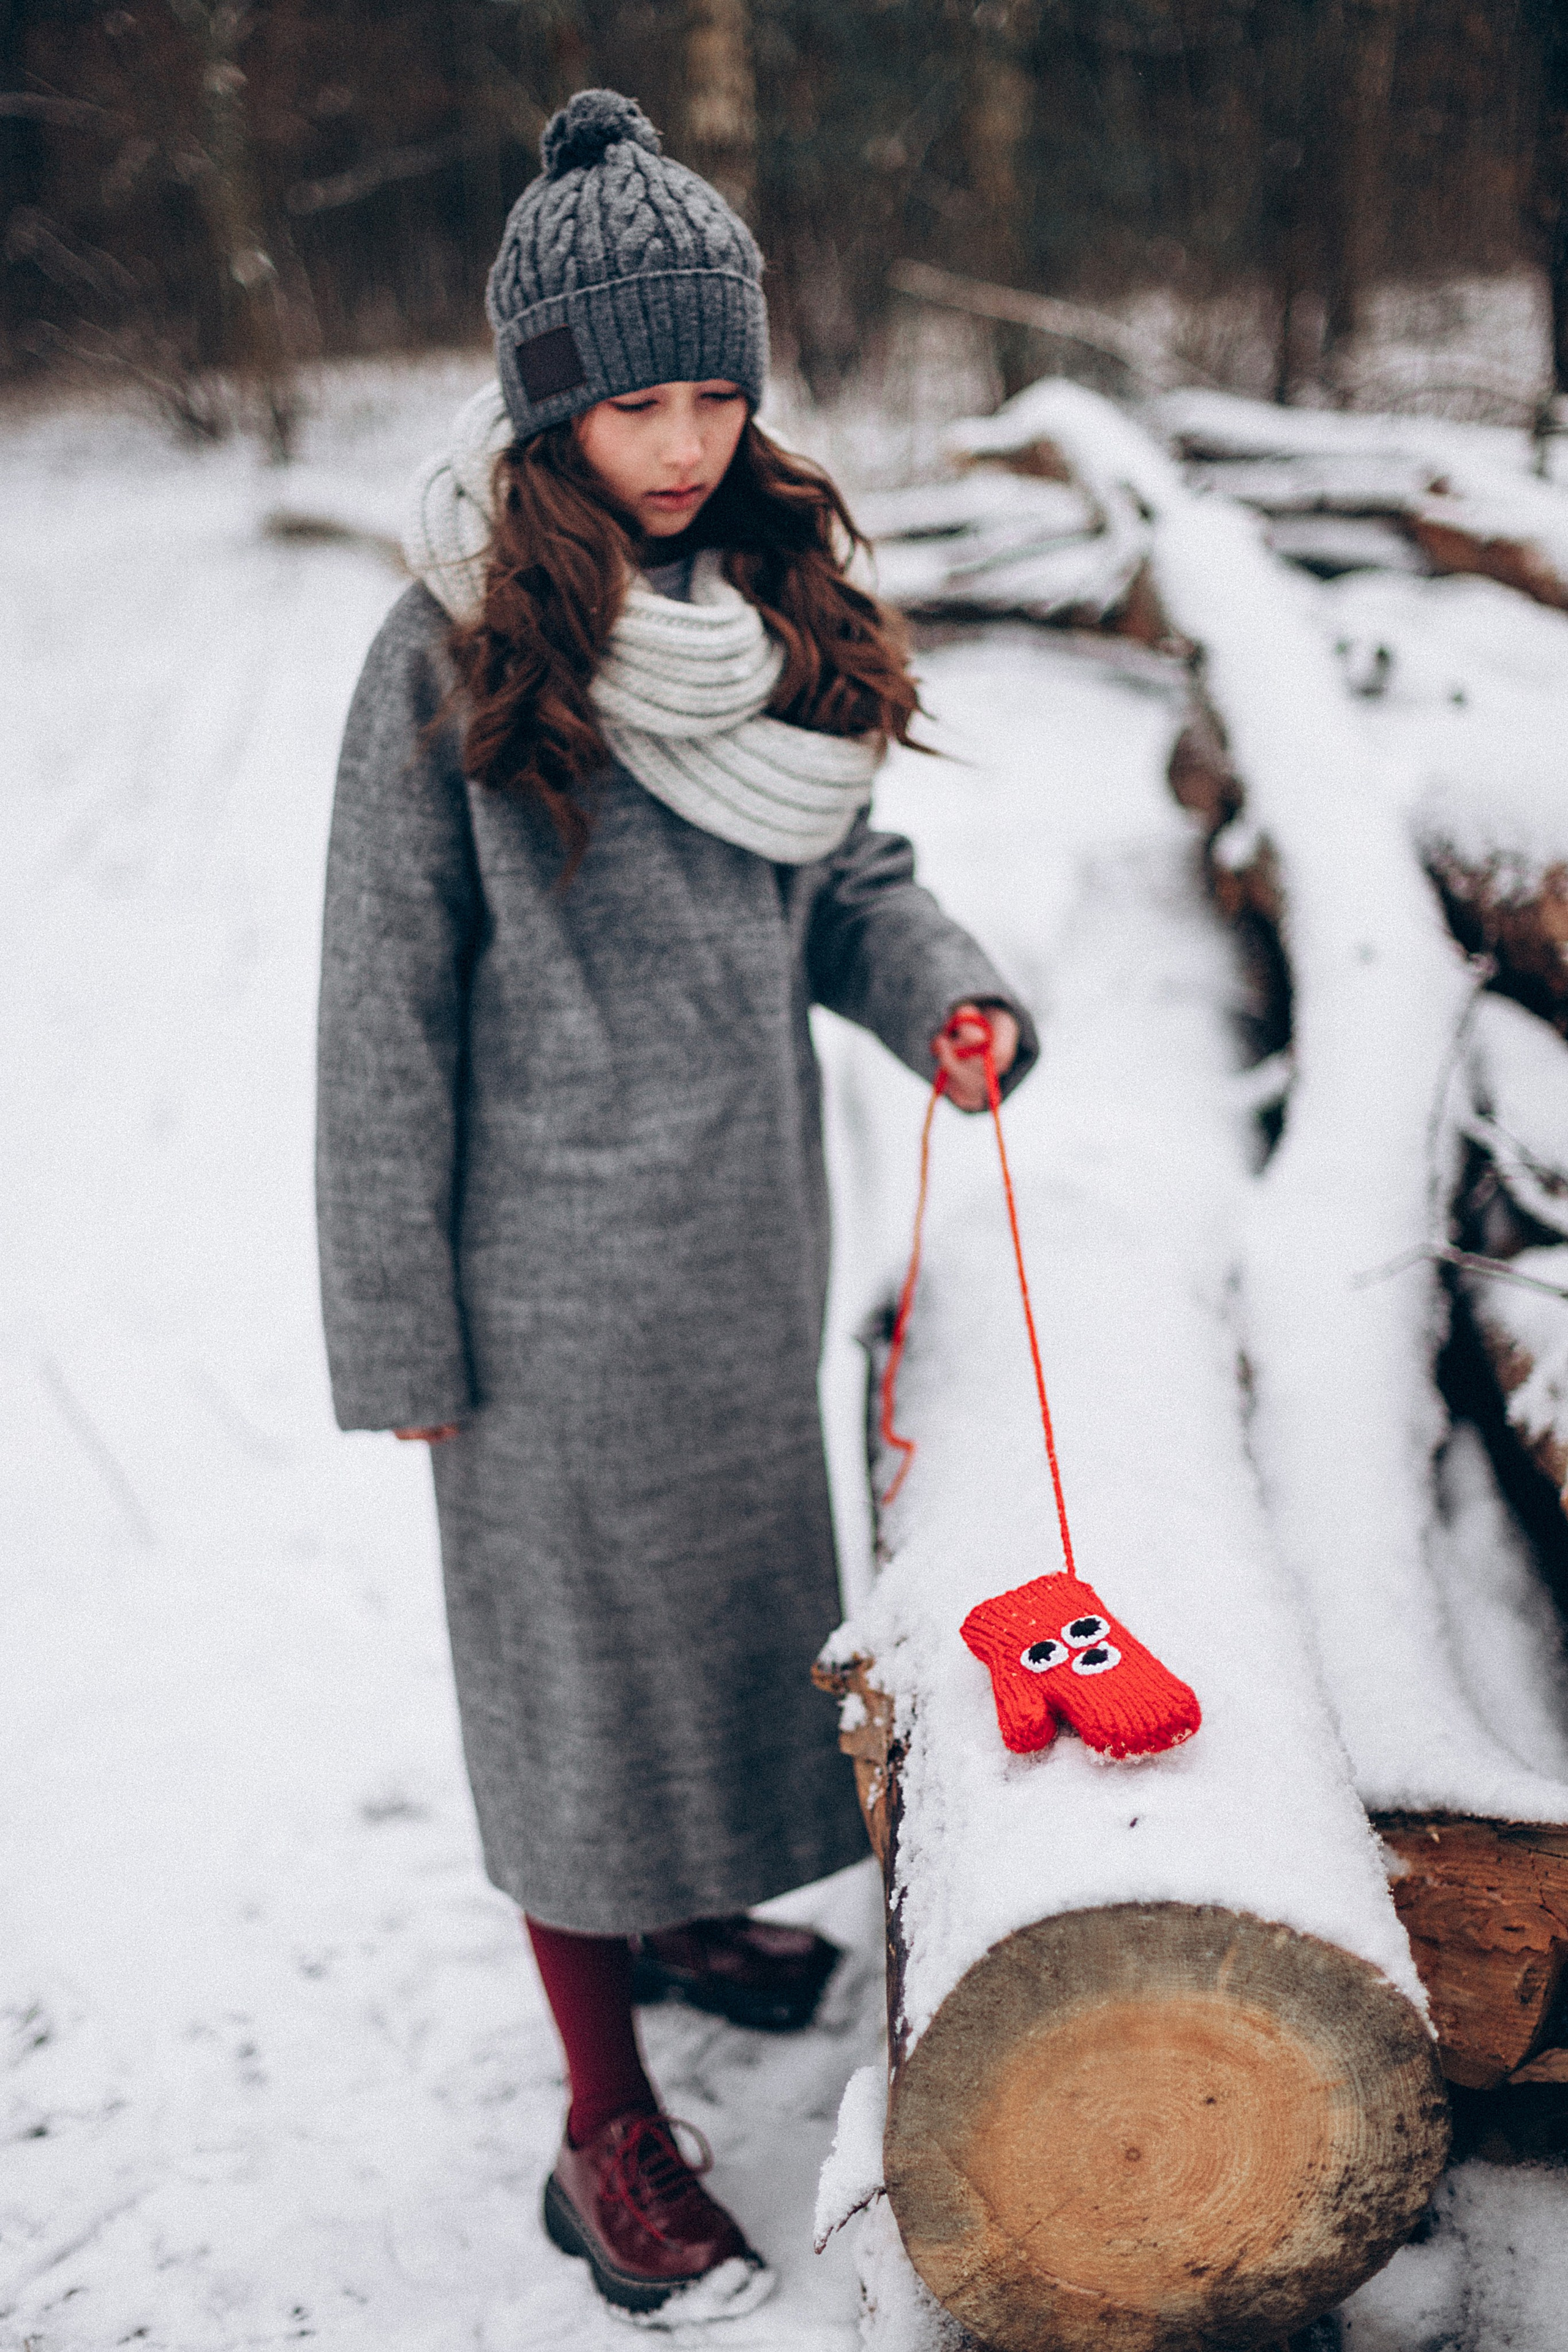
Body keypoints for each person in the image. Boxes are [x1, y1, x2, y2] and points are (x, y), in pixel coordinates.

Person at [315, 86, 1036, 2325]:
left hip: (741, 1256)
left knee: (727, 1636)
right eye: (639, 402)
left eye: (719, 392)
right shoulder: (452, 645)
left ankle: (686, 1903)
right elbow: (377, 1018)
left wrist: (942, 992)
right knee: (575, 1693)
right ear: (552, 401)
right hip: (536, 1297)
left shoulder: (765, 604)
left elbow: (849, 876)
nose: (686, 442)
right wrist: (400, 1332)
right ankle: (600, 2117)